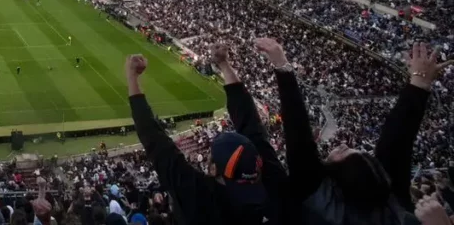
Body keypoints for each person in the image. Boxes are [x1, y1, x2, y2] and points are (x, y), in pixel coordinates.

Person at [259, 38, 450, 225]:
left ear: (339, 176)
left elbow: (298, 133)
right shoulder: (391, 204)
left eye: (345, 152)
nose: (343, 144)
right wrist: (419, 82)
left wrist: (281, 64)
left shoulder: (315, 194)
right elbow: (395, 144)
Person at [125, 53, 268, 225]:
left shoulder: (194, 190)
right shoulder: (268, 193)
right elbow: (253, 129)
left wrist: (132, 77)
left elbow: (154, 139)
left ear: (214, 169)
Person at [211, 43, 291, 225]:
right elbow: (250, 122)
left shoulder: (220, 208)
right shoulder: (278, 185)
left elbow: (249, 121)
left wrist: (224, 64)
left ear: (215, 170)